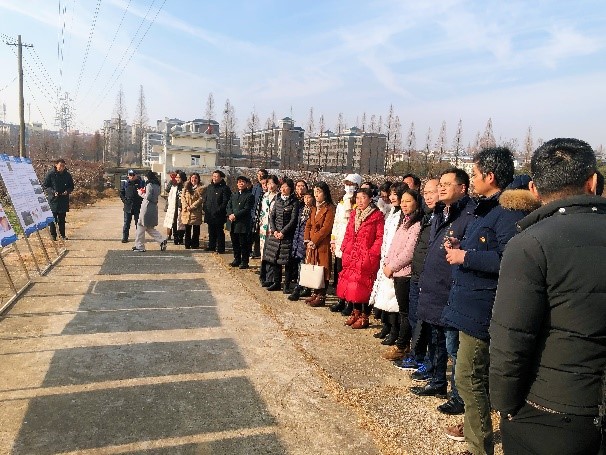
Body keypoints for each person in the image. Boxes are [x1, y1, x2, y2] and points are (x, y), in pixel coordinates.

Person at [490, 138, 606, 455]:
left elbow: (511, 338)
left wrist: (505, 402)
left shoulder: (531, 243)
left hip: (551, 408)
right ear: (593, 182)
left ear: (534, 189)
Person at [440, 148, 540, 452]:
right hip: (470, 305)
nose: (472, 180)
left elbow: (510, 260)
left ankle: (478, 447)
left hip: (482, 309)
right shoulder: (488, 209)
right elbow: (488, 248)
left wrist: (465, 256)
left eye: (474, 174)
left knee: (468, 377)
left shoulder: (508, 213)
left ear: (490, 176)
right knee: (469, 376)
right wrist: (462, 245)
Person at [409, 168, 476, 415]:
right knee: (436, 340)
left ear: (463, 188)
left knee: (453, 347)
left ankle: (459, 396)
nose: (442, 188)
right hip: (433, 288)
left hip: (450, 290)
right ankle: (437, 382)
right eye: (441, 184)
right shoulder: (439, 213)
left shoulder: (469, 215)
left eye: (447, 184)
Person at [380, 187, 423, 353]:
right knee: (403, 310)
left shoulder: (417, 224)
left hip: (405, 273)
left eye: (408, 201)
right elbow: (393, 245)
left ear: (416, 203)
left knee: (405, 312)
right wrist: (387, 263)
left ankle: (402, 346)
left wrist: (392, 266)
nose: (404, 204)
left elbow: (409, 252)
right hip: (396, 272)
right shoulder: (405, 221)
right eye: (403, 201)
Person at [337, 187, 385, 328]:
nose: (360, 201)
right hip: (352, 254)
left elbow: (380, 237)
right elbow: (348, 233)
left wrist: (372, 254)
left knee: (365, 285)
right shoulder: (354, 213)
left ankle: (365, 316)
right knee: (353, 285)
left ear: (370, 199)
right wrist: (345, 248)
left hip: (367, 257)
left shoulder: (377, 215)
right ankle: (355, 312)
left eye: (363, 197)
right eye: (357, 198)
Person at [370, 182, 405, 342]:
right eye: (391, 194)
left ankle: (394, 330)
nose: (392, 197)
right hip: (385, 258)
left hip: (394, 261)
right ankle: (386, 326)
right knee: (384, 295)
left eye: (395, 194)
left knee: (393, 299)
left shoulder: (403, 215)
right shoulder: (392, 212)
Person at [330, 173, 361, 314]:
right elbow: (336, 222)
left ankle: (350, 301)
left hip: (351, 243)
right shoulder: (342, 201)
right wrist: (333, 240)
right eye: (346, 184)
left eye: (351, 184)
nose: (348, 187)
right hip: (340, 241)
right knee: (339, 273)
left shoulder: (358, 203)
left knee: (350, 274)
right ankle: (340, 299)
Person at [263, 178, 300, 292]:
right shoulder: (277, 199)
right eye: (282, 187)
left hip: (287, 235)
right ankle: (276, 282)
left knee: (287, 261)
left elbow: (293, 220)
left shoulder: (294, 202)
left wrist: (283, 232)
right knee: (275, 259)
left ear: (291, 189)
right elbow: (272, 216)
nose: (283, 189)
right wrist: (274, 230)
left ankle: (287, 285)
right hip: (275, 234)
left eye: (286, 187)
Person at [303, 181, 336, 307]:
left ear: (325, 193)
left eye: (319, 192)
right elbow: (308, 225)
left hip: (322, 243)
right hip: (311, 243)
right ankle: (315, 292)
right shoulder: (314, 208)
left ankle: (322, 295)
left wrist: (314, 240)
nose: (316, 195)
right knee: (314, 266)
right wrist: (307, 239)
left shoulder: (330, 208)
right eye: (315, 192)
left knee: (323, 268)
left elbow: (326, 228)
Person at [288, 190, 315, 301]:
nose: (306, 200)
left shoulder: (314, 210)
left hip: (307, 240)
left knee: (304, 265)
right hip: (298, 240)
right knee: (301, 264)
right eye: (305, 198)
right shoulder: (301, 209)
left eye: (309, 198)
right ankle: (305, 287)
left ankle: (298, 288)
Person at [133, 170, 167, 252]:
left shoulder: (149, 185)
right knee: (149, 227)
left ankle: (139, 246)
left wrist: (140, 193)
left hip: (147, 206)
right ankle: (161, 240)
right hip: (153, 206)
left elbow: (148, 197)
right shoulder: (157, 185)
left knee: (141, 225)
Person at [226, 175, 255, 269]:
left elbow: (247, 209)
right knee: (235, 243)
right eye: (239, 182)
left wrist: (235, 215)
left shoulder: (249, 195)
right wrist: (230, 214)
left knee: (243, 243)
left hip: (242, 223)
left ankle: (244, 261)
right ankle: (237, 259)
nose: (241, 184)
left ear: (246, 184)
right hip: (232, 223)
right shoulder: (234, 195)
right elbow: (228, 206)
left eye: (243, 182)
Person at [43, 158, 74, 241]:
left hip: (63, 199)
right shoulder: (50, 174)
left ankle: (62, 235)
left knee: (62, 219)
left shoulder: (67, 175)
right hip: (53, 199)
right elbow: (45, 186)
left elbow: (71, 186)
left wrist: (67, 191)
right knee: (53, 219)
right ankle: (53, 235)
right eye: (60, 166)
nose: (62, 167)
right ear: (56, 165)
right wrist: (53, 192)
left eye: (63, 166)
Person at [203, 170, 232, 253]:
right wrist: (205, 208)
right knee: (211, 230)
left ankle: (220, 248)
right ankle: (211, 246)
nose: (215, 178)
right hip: (209, 213)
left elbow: (225, 202)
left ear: (221, 178)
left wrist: (219, 210)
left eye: (217, 176)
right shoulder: (210, 187)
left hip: (219, 214)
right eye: (214, 176)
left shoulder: (225, 188)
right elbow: (206, 199)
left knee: (219, 231)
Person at [259, 175, 279, 285]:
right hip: (264, 228)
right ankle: (263, 275)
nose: (270, 186)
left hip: (273, 229)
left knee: (271, 253)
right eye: (268, 184)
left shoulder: (278, 197)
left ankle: (270, 278)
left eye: (272, 183)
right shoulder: (265, 196)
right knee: (263, 251)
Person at [181, 173, 205, 249]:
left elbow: (201, 199)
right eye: (192, 178)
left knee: (196, 229)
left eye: (196, 178)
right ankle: (187, 244)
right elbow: (182, 197)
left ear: (198, 179)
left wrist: (192, 207)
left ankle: (195, 244)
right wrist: (186, 206)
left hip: (196, 212)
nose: (194, 179)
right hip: (186, 211)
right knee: (187, 229)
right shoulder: (186, 187)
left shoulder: (201, 188)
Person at [120, 169, 144, 243]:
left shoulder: (140, 183)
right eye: (130, 175)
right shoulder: (125, 183)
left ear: (136, 175)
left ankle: (139, 238)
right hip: (128, 206)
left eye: (133, 175)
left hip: (137, 206)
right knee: (126, 223)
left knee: (138, 223)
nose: (132, 176)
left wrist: (141, 201)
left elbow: (144, 193)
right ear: (128, 175)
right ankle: (125, 238)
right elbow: (121, 193)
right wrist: (125, 201)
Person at [162, 171, 186, 245]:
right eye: (176, 177)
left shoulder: (185, 186)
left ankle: (180, 238)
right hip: (173, 207)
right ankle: (175, 238)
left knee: (181, 224)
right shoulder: (173, 185)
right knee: (174, 223)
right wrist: (172, 181)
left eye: (179, 177)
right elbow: (167, 190)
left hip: (182, 207)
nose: (177, 179)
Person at [251, 169, 269, 258]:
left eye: (262, 174)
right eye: (258, 174)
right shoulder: (255, 187)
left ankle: (260, 252)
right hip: (255, 213)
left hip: (265, 216)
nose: (260, 176)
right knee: (254, 233)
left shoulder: (268, 190)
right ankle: (255, 251)